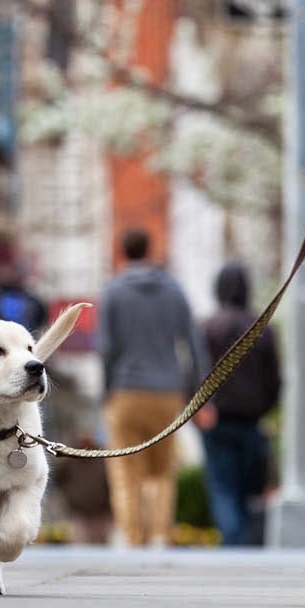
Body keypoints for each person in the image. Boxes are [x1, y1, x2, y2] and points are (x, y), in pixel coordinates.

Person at [98, 228, 211, 548]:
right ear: (150, 248)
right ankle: (160, 533)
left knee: (125, 468)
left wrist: (107, 391)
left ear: (122, 251)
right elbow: (192, 342)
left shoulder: (113, 292)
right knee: (162, 469)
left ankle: (131, 535)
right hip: (167, 392)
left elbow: (106, 348)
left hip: (126, 390)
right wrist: (197, 391)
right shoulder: (173, 290)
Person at [197, 262, 281, 547]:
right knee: (247, 491)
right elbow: (275, 381)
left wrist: (200, 409)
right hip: (252, 423)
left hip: (216, 420)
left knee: (223, 488)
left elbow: (194, 373)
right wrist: (263, 410)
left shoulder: (208, 327)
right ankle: (241, 544)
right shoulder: (262, 329)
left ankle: (233, 544)